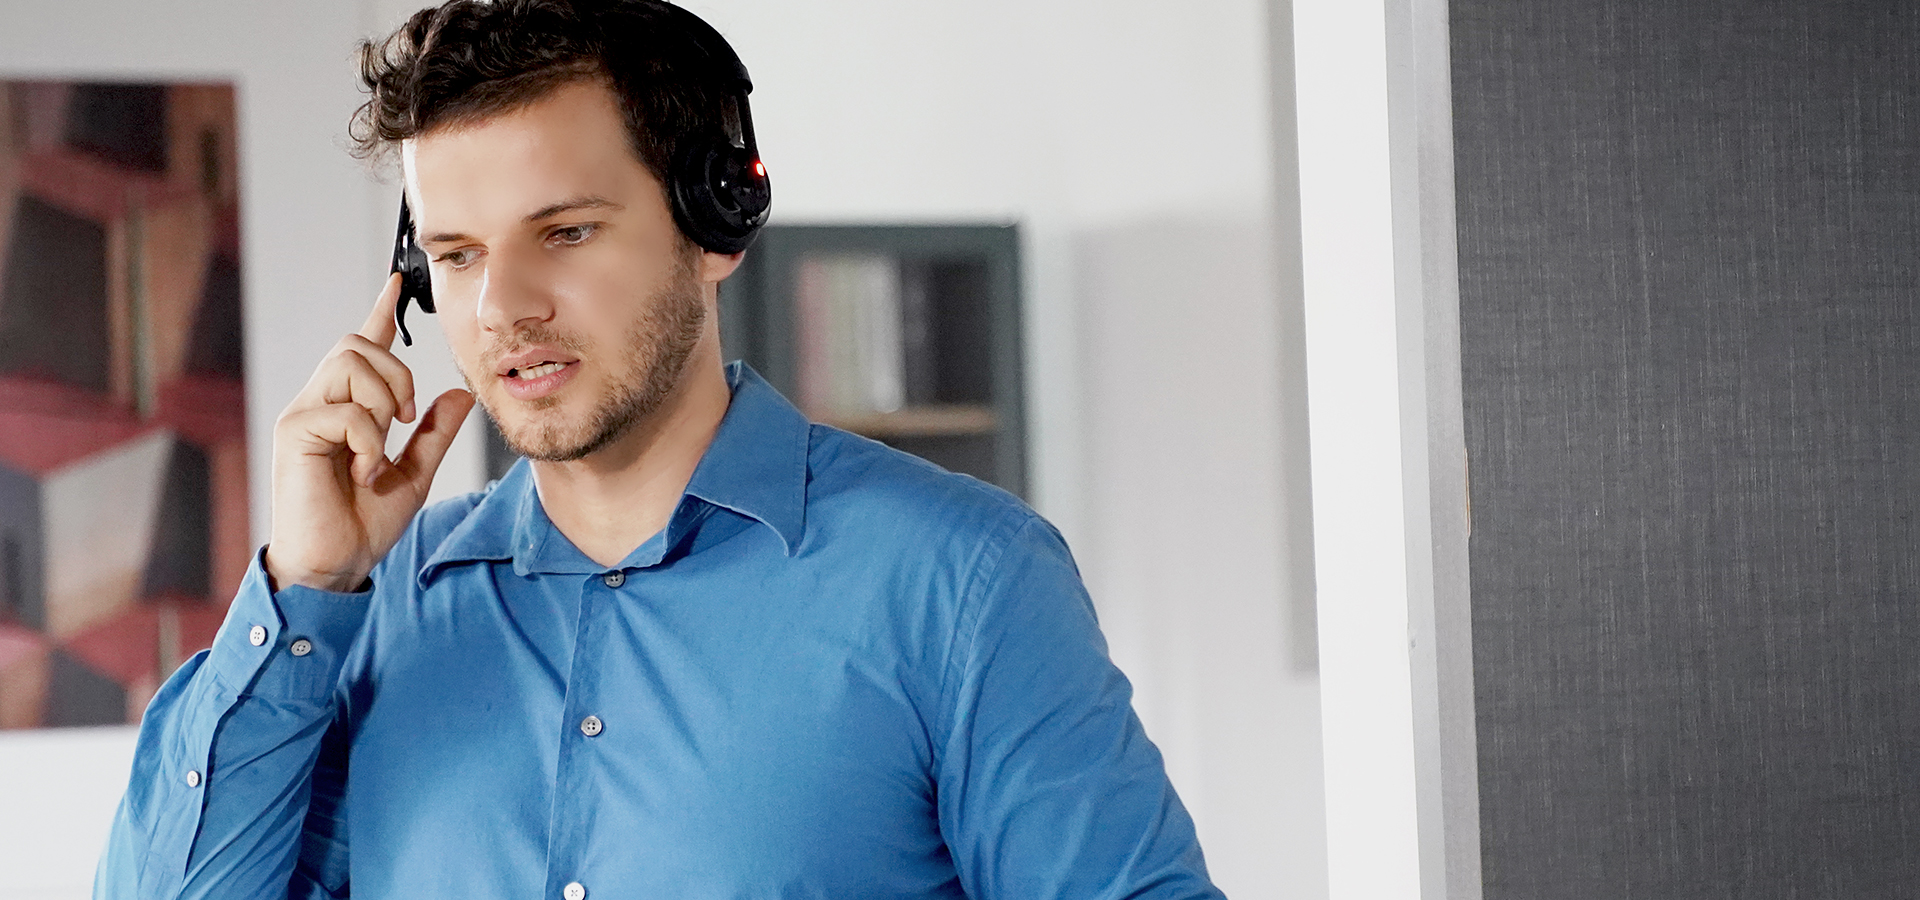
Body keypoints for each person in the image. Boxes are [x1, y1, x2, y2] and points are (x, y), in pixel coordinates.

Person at [94, 1, 1222, 897]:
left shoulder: (963, 581)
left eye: (566, 233)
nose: (501, 306)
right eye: (457, 253)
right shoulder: (372, 612)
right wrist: (305, 586)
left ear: (715, 221)